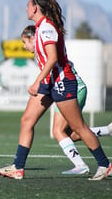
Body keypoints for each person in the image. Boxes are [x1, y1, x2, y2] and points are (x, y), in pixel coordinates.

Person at [0, 0, 112, 180]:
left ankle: (105, 165)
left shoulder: (47, 28)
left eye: (28, 5)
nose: (25, 8)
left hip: (62, 82)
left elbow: (53, 59)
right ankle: (18, 167)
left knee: (78, 128)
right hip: (50, 82)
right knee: (27, 120)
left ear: (35, 8)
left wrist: (36, 81)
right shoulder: (41, 28)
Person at [21, 25, 112, 175]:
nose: (24, 47)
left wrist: (38, 85)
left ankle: (86, 165)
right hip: (69, 88)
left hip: (72, 89)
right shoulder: (41, 53)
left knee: (59, 130)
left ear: (33, 38)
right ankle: (107, 130)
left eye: (25, 42)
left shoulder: (45, 50)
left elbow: (57, 67)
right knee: (72, 134)